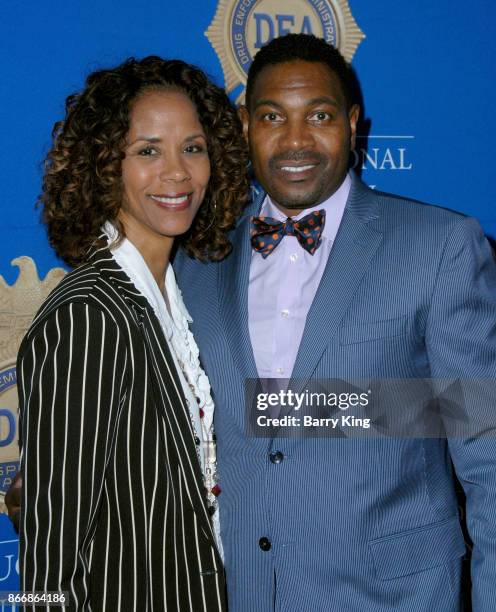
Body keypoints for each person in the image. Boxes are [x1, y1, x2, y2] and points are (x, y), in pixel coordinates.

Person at [173, 34, 496, 611]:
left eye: (318, 116)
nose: (296, 140)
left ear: (351, 125)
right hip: (235, 590)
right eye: (273, 117)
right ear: (245, 124)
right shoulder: (197, 255)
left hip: (392, 594)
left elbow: (484, 441)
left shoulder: (440, 243)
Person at [16, 56, 248, 611]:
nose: (178, 173)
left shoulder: (178, 292)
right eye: (148, 151)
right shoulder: (90, 315)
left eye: (193, 148)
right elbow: (51, 555)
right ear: (104, 167)